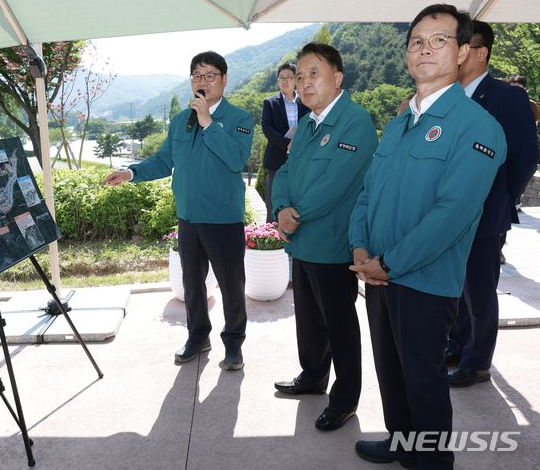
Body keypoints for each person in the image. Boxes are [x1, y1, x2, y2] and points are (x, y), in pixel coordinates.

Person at [348, 4, 506, 470]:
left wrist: (390, 262)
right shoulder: (399, 123)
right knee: (391, 375)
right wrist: (359, 248)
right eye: (417, 41)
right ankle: (401, 445)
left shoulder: (478, 127)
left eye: (439, 40)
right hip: (376, 274)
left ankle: (432, 463)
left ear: (462, 53)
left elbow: (452, 214)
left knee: (423, 381)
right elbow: (367, 193)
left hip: (423, 281)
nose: (424, 49)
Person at [103, 51, 253, 371]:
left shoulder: (239, 119)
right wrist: (130, 173)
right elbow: (162, 161)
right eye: (197, 76)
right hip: (188, 217)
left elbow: (236, 160)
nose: (202, 82)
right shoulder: (178, 122)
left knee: (231, 286)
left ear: (224, 80)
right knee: (192, 285)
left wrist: (208, 123)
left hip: (224, 219)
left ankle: (234, 344)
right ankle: (198, 336)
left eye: (210, 75)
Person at [271, 43, 377, 432]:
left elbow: (336, 183)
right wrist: (281, 206)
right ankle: (313, 376)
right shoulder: (307, 123)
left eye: (313, 73)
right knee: (310, 318)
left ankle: (345, 398)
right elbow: (283, 171)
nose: (304, 82)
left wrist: (294, 214)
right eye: (299, 76)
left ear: (337, 77)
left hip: (333, 244)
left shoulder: (354, 121)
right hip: (302, 241)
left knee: (340, 324)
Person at [446, 21, 539, 387]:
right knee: (457, 285)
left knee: (481, 289)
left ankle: (478, 361)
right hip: (449, 213)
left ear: (480, 52)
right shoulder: (449, 94)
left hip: (486, 213)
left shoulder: (506, 97)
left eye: (460, 45)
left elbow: (524, 158)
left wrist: (502, 196)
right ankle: (457, 343)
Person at [261, 63, 310, 222]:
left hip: (300, 157)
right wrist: (286, 143)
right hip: (276, 156)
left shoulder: (305, 102)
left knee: (297, 196)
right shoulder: (270, 102)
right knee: (274, 196)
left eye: (289, 77)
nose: (285, 81)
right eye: (281, 78)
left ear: (296, 80)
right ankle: (272, 231)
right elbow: (266, 127)